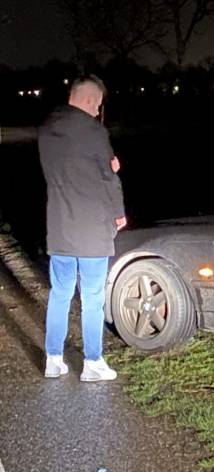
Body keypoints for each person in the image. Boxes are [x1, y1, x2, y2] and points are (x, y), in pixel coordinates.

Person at [38, 75, 127, 381]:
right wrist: (119, 213)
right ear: (90, 100)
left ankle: (53, 359)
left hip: (59, 226)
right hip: (92, 229)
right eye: (98, 105)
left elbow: (70, 169)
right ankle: (92, 362)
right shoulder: (94, 131)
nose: (98, 111)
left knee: (60, 294)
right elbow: (107, 177)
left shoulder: (47, 128)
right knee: (92, 297)